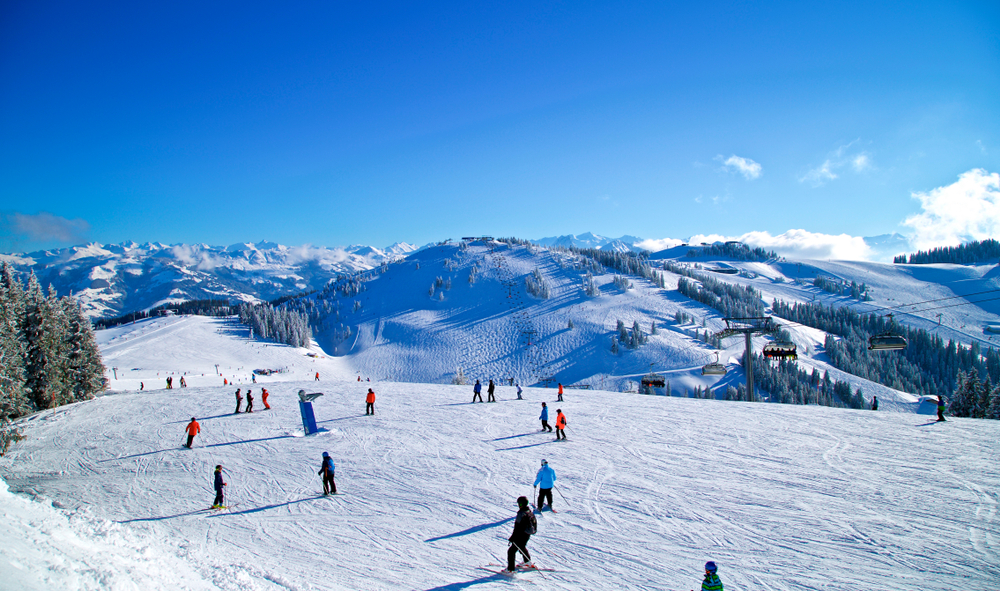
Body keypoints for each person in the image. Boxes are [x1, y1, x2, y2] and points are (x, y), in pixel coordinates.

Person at [506, 496, 537, 573]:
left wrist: (512, 538)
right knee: (521, 547)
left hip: (520, 534)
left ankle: (510, 570)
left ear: (520, 504)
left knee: (511, 551)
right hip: (527, 533)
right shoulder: (529, 511)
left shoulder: (521, 513)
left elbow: (517, 528)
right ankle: (528, 562)